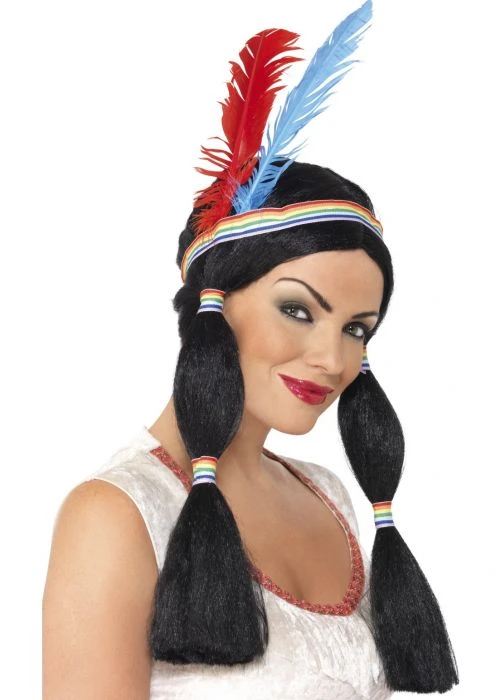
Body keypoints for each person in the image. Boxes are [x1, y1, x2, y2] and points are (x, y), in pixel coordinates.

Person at [43, 3, 458, 698]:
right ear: (215, 302)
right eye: (298, 310)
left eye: (357, 328)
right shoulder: (117, 515)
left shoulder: (328, 495)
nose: (333, 359)